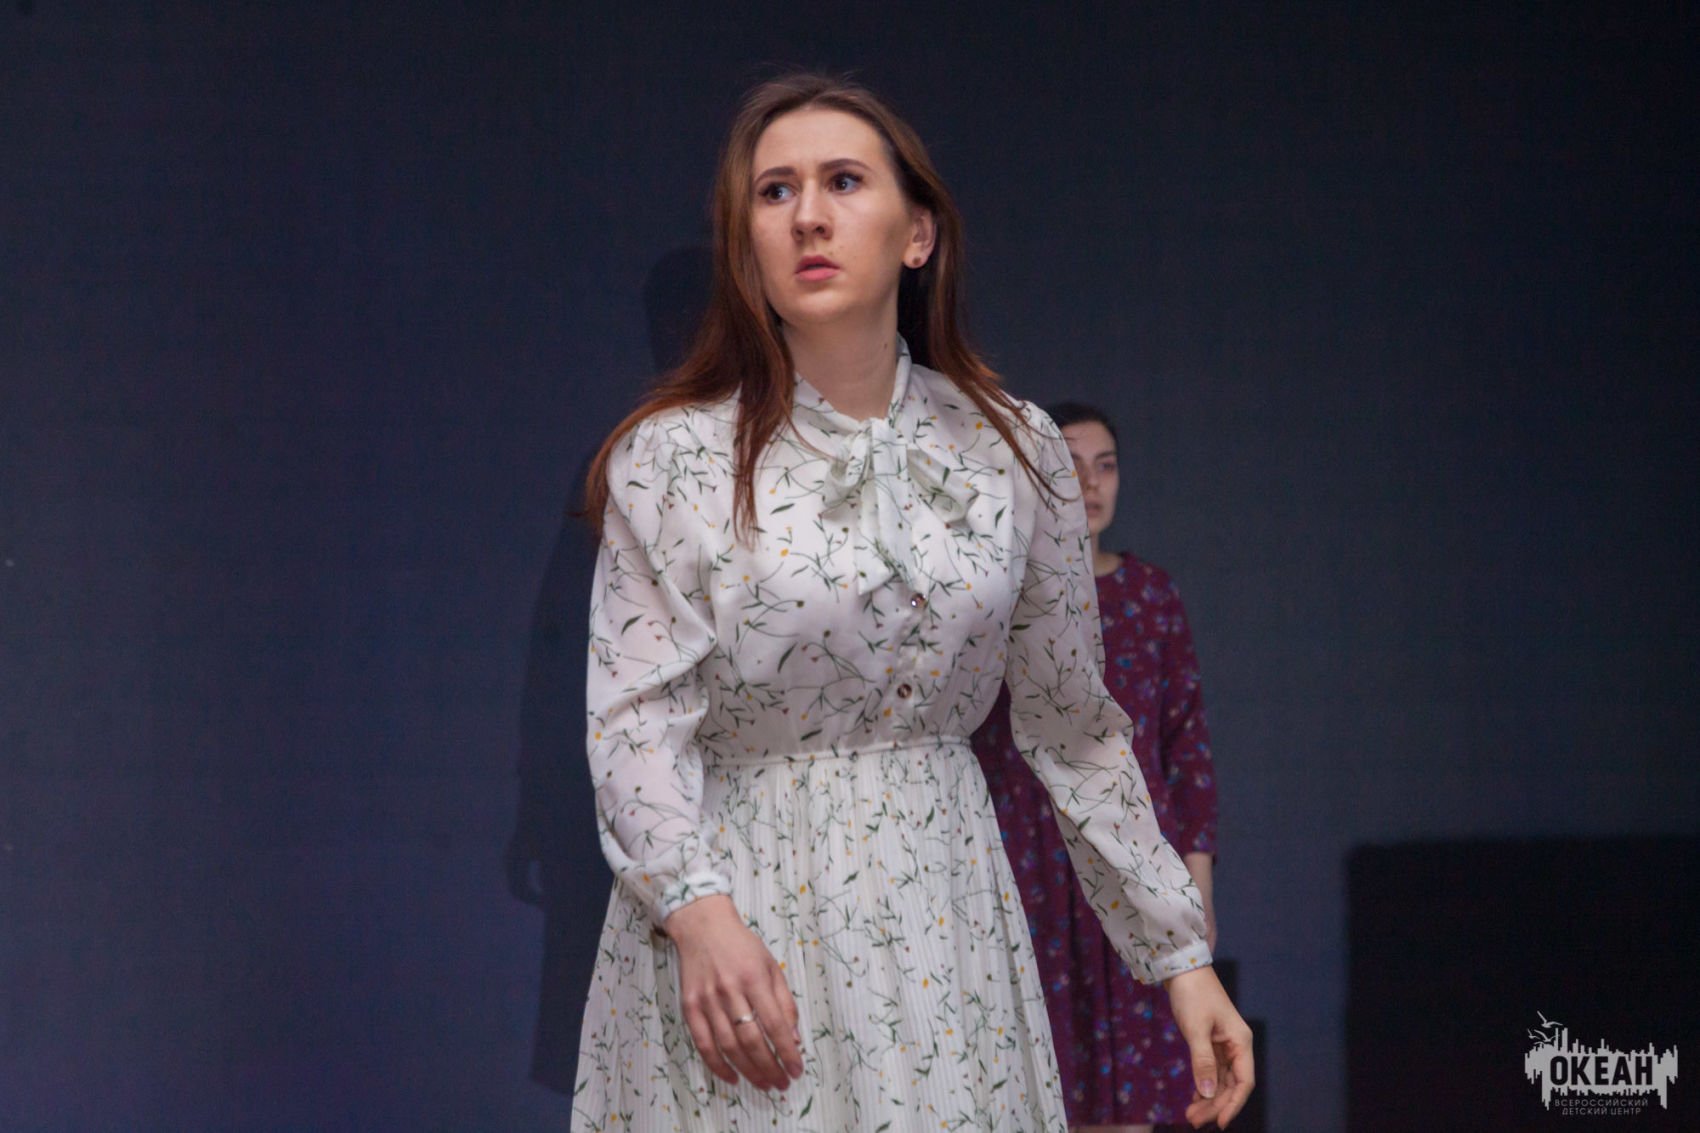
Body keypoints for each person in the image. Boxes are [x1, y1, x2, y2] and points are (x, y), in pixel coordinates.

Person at [569, 72, 1253, 1132]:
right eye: (774, 192)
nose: (808, 214)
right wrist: (696, 913)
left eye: (843, 181)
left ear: (918, 232)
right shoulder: (673, 459)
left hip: (944, 913)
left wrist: (1179, 956)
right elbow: (633, 721)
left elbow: (1074, 726)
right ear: (746, 243)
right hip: (736, 922)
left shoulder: (1012, 447)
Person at [971, 401, 1221, 1133]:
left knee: (1130, 1089)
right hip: (1030, 856)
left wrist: (1195, 887)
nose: (1089, 483)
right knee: (1038, 1078)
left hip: (1132, 854)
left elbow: (1186, 746)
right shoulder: (1001, 594)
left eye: (1105, 466)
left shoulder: (1150, 594)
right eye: (1071, 465)